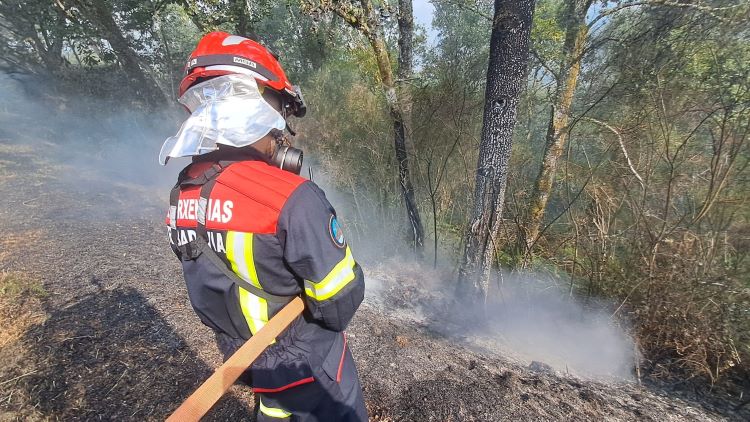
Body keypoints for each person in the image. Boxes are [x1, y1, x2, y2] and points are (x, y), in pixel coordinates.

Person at [159, 32, 368, 421]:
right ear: (260, 106)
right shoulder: (292, 197)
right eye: (281, 113)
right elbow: (338, 304)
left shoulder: (183, 192)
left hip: (244, 356)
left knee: (274, 409)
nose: (282, 131)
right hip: (309, 366)